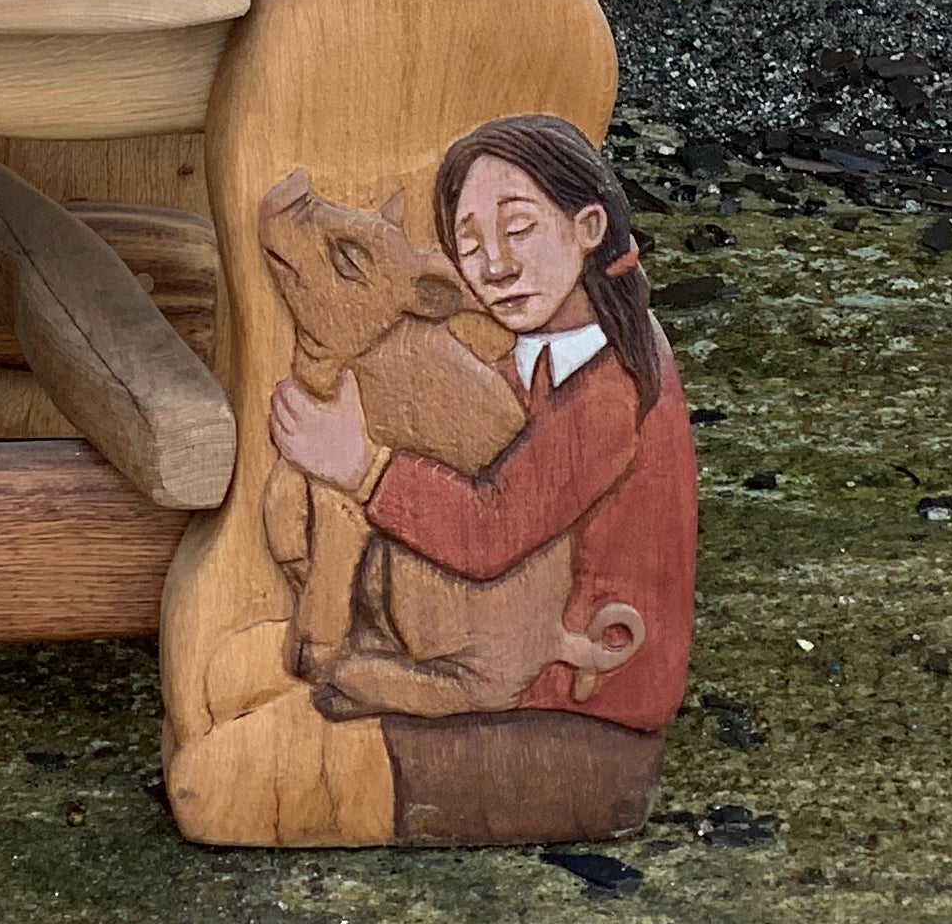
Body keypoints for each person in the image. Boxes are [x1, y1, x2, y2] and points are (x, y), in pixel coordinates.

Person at [266, 115, 695, 736]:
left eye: (519, 229)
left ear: (588, 228)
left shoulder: (611, 390)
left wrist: (362, 468)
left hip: (583, 679)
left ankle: (448, 685)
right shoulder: (525, 360)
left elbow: (490, 533)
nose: (495, 264)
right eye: (469, 246)